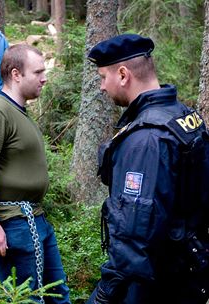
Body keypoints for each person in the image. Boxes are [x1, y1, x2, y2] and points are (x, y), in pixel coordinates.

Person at [86, 34, 209, 304]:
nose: (102, 88)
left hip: (155, 282)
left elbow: (134, 233)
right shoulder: (184, 116)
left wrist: (105, 294)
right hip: (186, 272)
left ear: (122, 74)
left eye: (102, 77)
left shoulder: (147, 139)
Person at [0, 44, 71, 303]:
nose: (44, 78)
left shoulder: (19, 112)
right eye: (38, 72)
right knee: (27, 299)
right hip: (12, 223)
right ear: (16, 74)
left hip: (35, 218)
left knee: (58, 295)